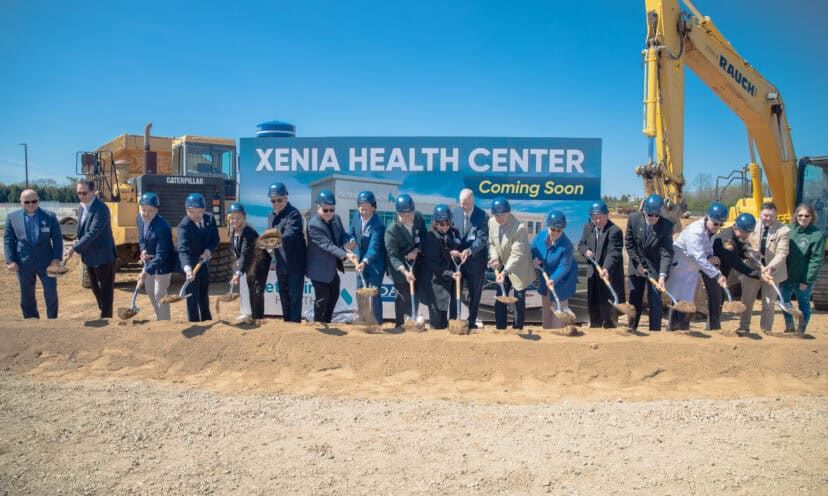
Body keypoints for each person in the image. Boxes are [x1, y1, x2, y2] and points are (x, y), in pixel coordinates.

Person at [667, 202, 729, 331]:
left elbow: (705, 247)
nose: (717, 227)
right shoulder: (695, 231)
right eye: (715, 223)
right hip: (681, 267)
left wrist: (711, 256)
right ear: (708, 217)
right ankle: (674, 329)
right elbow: (697, 257)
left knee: (687, 299)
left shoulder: (708, 230)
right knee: (679, 298)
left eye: (720, 224)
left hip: (691, 268)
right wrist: (717, 274)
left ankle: (682, 329)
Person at [3, 189, 63, 319]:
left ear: (38, 201)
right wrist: (10, 260)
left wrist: (56, 258)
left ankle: (52, 320)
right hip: (23, 262)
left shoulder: (50, 216)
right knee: (27, 294)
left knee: (51, 292)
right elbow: (8, 240)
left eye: (34, 201)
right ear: (21, 202)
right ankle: (31, 320)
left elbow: (57, 238)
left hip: (47, 262)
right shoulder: (12, 218)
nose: (31, 204)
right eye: (27, 202)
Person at [66, 180, 117, 319]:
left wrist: (75, 248)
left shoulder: (101, 209)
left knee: (105, 292)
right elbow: (82, 230)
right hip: (89, 256)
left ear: (93, 192)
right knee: (95, 289)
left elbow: (93, 232)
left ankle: (107, 319)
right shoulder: (82, 207)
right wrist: (77, 240)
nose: (81, 196)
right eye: (78, 193)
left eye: (84, 193)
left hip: (103, 257)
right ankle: (104, 312)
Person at [701, 212, 759, 330]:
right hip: (712, 271)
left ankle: (714, 327)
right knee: (715, 299)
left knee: (719, 298)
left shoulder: (733, 234)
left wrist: (747, 252)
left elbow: (740, 246)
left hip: (722, 271)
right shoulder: (726, 240)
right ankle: (712, 328)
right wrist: (756, 274)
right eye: (745, 232)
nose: (747, 235)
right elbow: (735, 262)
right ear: (737, 227)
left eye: (749, 232)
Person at [738, 202, 790, 334]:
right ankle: (744, 327)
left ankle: (766, 330)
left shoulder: (783, 230)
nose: (768, 219)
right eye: (765, 215)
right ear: (760, 214)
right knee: (746, 300)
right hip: (752, 269)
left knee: (769, 302)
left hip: (773, 272)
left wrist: (771, 266)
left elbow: (782, 252)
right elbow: (743, 243)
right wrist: (750, 251)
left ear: (776, 215)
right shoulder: (751, 224)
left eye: (772, 216)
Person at [625, 194, 674, 332]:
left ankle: (655, 333)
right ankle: (632, 328)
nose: (653, 218)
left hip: (655, 267)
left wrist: (663, 275)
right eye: (650, 215)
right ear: (644, 212)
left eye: (656, 216)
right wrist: (638, 264)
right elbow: (629, 244)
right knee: (635, 299)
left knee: (655, 301)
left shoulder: (666, 226)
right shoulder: (633, 219)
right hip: (636, 266)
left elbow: (667, 253)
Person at [306, 190, 357, 323]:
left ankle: (327, 321)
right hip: (318, 270)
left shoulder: (336, 218)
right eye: (325, 210)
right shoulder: (313, 225)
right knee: (322, 299)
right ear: (318, 207)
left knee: (334, 295)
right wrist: (345, 255)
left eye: (331, 209)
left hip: (331, 269)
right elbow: (327, 245)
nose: (329, 213)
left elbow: (341, 235)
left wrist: (349, 240)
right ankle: (318, 324)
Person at [487, 197, 534, 330]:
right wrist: (495, 258)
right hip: (502, 266)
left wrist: (504, 271)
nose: (499, 218)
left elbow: (516, 254)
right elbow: (491, 243)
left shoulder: (519, 228)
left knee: (518, 300)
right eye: (496, 215)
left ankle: (517, 329)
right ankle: (500, 329)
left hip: (519, 267)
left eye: (502, 215)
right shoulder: (491, 222)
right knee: (500, 299)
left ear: (509, 212)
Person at [577, 200, 624, 328]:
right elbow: (581, 244)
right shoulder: (588, 228)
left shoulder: (615, 231)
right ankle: (595, 327)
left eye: (600, 217)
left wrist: (606, 268)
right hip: (593, 275)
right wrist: (585, 251)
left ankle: (610, 330)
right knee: (594, 308)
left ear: (607, 215)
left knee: (608, 311)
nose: (597, 221)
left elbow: (613, 253)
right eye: (594, 218)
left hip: (609, 275)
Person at [780, 204, 825, 333]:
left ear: (812, 217)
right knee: (783, 301)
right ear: (796, 216)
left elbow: (816, 260)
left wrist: (806, 280)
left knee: (804, 304)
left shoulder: (817, 235)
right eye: (800, 215)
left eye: (806, 216)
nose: (803, 218)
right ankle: (789, 326)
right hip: (786, 276)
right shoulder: (788, 230)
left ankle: (801, 329)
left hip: (803, 278)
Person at [384, 194, 427, 328]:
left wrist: (417, 250)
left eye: (410, 214)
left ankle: (412, 321)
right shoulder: (391, 231)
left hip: (415, 262)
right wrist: (405, 272)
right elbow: (393, 256)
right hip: (399, 268)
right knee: (403, 295)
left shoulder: (418, 218)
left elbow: (425, 237)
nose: (408, 217)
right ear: (398, 213)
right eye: (404, 215)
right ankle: (400, 325)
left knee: (415, 294)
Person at [267, 182, 306, 322]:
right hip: (281, 265)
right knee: (283, 295)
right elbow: (270, 238)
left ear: (286, 198)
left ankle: (294, 327)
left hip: (295, 264)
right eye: (273, 200)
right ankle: (286, 324)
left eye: (279, 200)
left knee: (295, 298)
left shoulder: (294, 214)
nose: (276, 203)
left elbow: (290, 234)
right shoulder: (271, 217)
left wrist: (271, 241)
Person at [177, 193, 219, 322]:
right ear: (187, 211)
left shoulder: (210, 219)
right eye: (192, 212)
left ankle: (207, 319)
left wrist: (208, 250)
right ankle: (194, 322)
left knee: (203, 294)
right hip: (190, 264)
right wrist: (188, 270)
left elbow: (215, 239)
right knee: (192, 296)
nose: (196, 215)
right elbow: (182, 250)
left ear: (204, 210)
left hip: (204, 263)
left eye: (199, 212)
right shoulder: (183, 226)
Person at [450, 188, 489, 329]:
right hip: (458, 262)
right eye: (461, 203)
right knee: (456, 292)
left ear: (472, 201)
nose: (463, 206)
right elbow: (451, 234)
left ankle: (471, 322)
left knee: (475, 293)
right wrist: (453, 250)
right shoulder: (455, 213)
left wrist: (470, 250)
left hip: (475, 262)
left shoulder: (482, 216)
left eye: (465, 203)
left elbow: (482, 238)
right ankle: (453, 320)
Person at [533, 210, 578, 328]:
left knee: (559, 313)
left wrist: (553, 279)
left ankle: (558, 337)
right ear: (548, 226)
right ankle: (548, 338)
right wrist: (534, 260)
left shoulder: (566, 245)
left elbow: (564, 266)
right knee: (546, 311)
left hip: (562, 281)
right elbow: (532, 250)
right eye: (553, 229)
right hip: (545, 279)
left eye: (559, 230)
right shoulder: (540, 237)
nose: (556, 233)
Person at [420, 204, 461, 329]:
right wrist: (451, 274)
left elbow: (456, 247)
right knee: (437, 321)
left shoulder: (453, 232)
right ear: (435, 223)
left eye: (448, 222)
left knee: (444, 318)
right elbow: (433, 265)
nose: (445, 226)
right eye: (441, 223)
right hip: (435, 283)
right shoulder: (430, 238)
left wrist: (458, 253)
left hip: (447, 282)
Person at [136, 192, 175, 320]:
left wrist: (146, 270)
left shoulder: (163, 227)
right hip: (149, 260)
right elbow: (141, 238)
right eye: (143, 210)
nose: (146, 213)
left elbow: (162, 255)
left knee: (160, 293)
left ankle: (165, 322)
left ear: (156, 210)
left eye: (150, 211)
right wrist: (143, 250)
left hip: (163, 262)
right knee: (150, 291)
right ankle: (160, 317)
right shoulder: (140, 219)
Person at [349, 191, 386, 324]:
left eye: (366, 208)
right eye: (360, 208)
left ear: (373, 208)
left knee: (374, 294)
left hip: (375, 264)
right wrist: (352, 240)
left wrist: (365, 261)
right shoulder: (356, 216)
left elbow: (374, 247)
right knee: (360, 292)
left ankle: (377, 323)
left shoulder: (378, 225)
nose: (362, 212)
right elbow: (352, 231)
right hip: (360, 261)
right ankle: (363, 321)